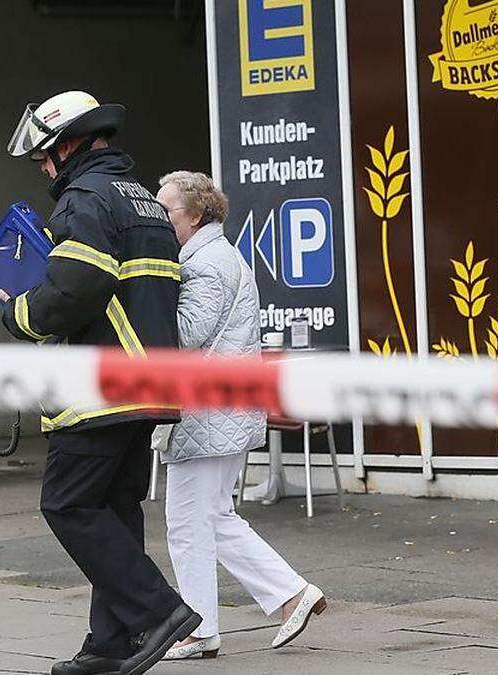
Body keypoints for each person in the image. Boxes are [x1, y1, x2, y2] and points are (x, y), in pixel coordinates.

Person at [0, 90, 199, 675]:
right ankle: (110, 645)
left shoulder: (86, 197)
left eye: (44, 155)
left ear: (70, 144)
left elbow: (76, 287)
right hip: (148, 381)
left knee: (66, 502)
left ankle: (158, 613)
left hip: (105, 385)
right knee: (114, 508)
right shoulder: (143, 200)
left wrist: (20, 314)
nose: (42, 167)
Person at [153, 171, 326, 661]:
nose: (159, 217)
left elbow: (187, 334)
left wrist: (149, 294)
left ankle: (200, 629)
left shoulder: (204, 264)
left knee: (188, 524)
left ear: (196, 214)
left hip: (207, 413)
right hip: (221, 410)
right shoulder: (214, 256)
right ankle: (289, 595)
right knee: (213, 518)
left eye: (166, 210)